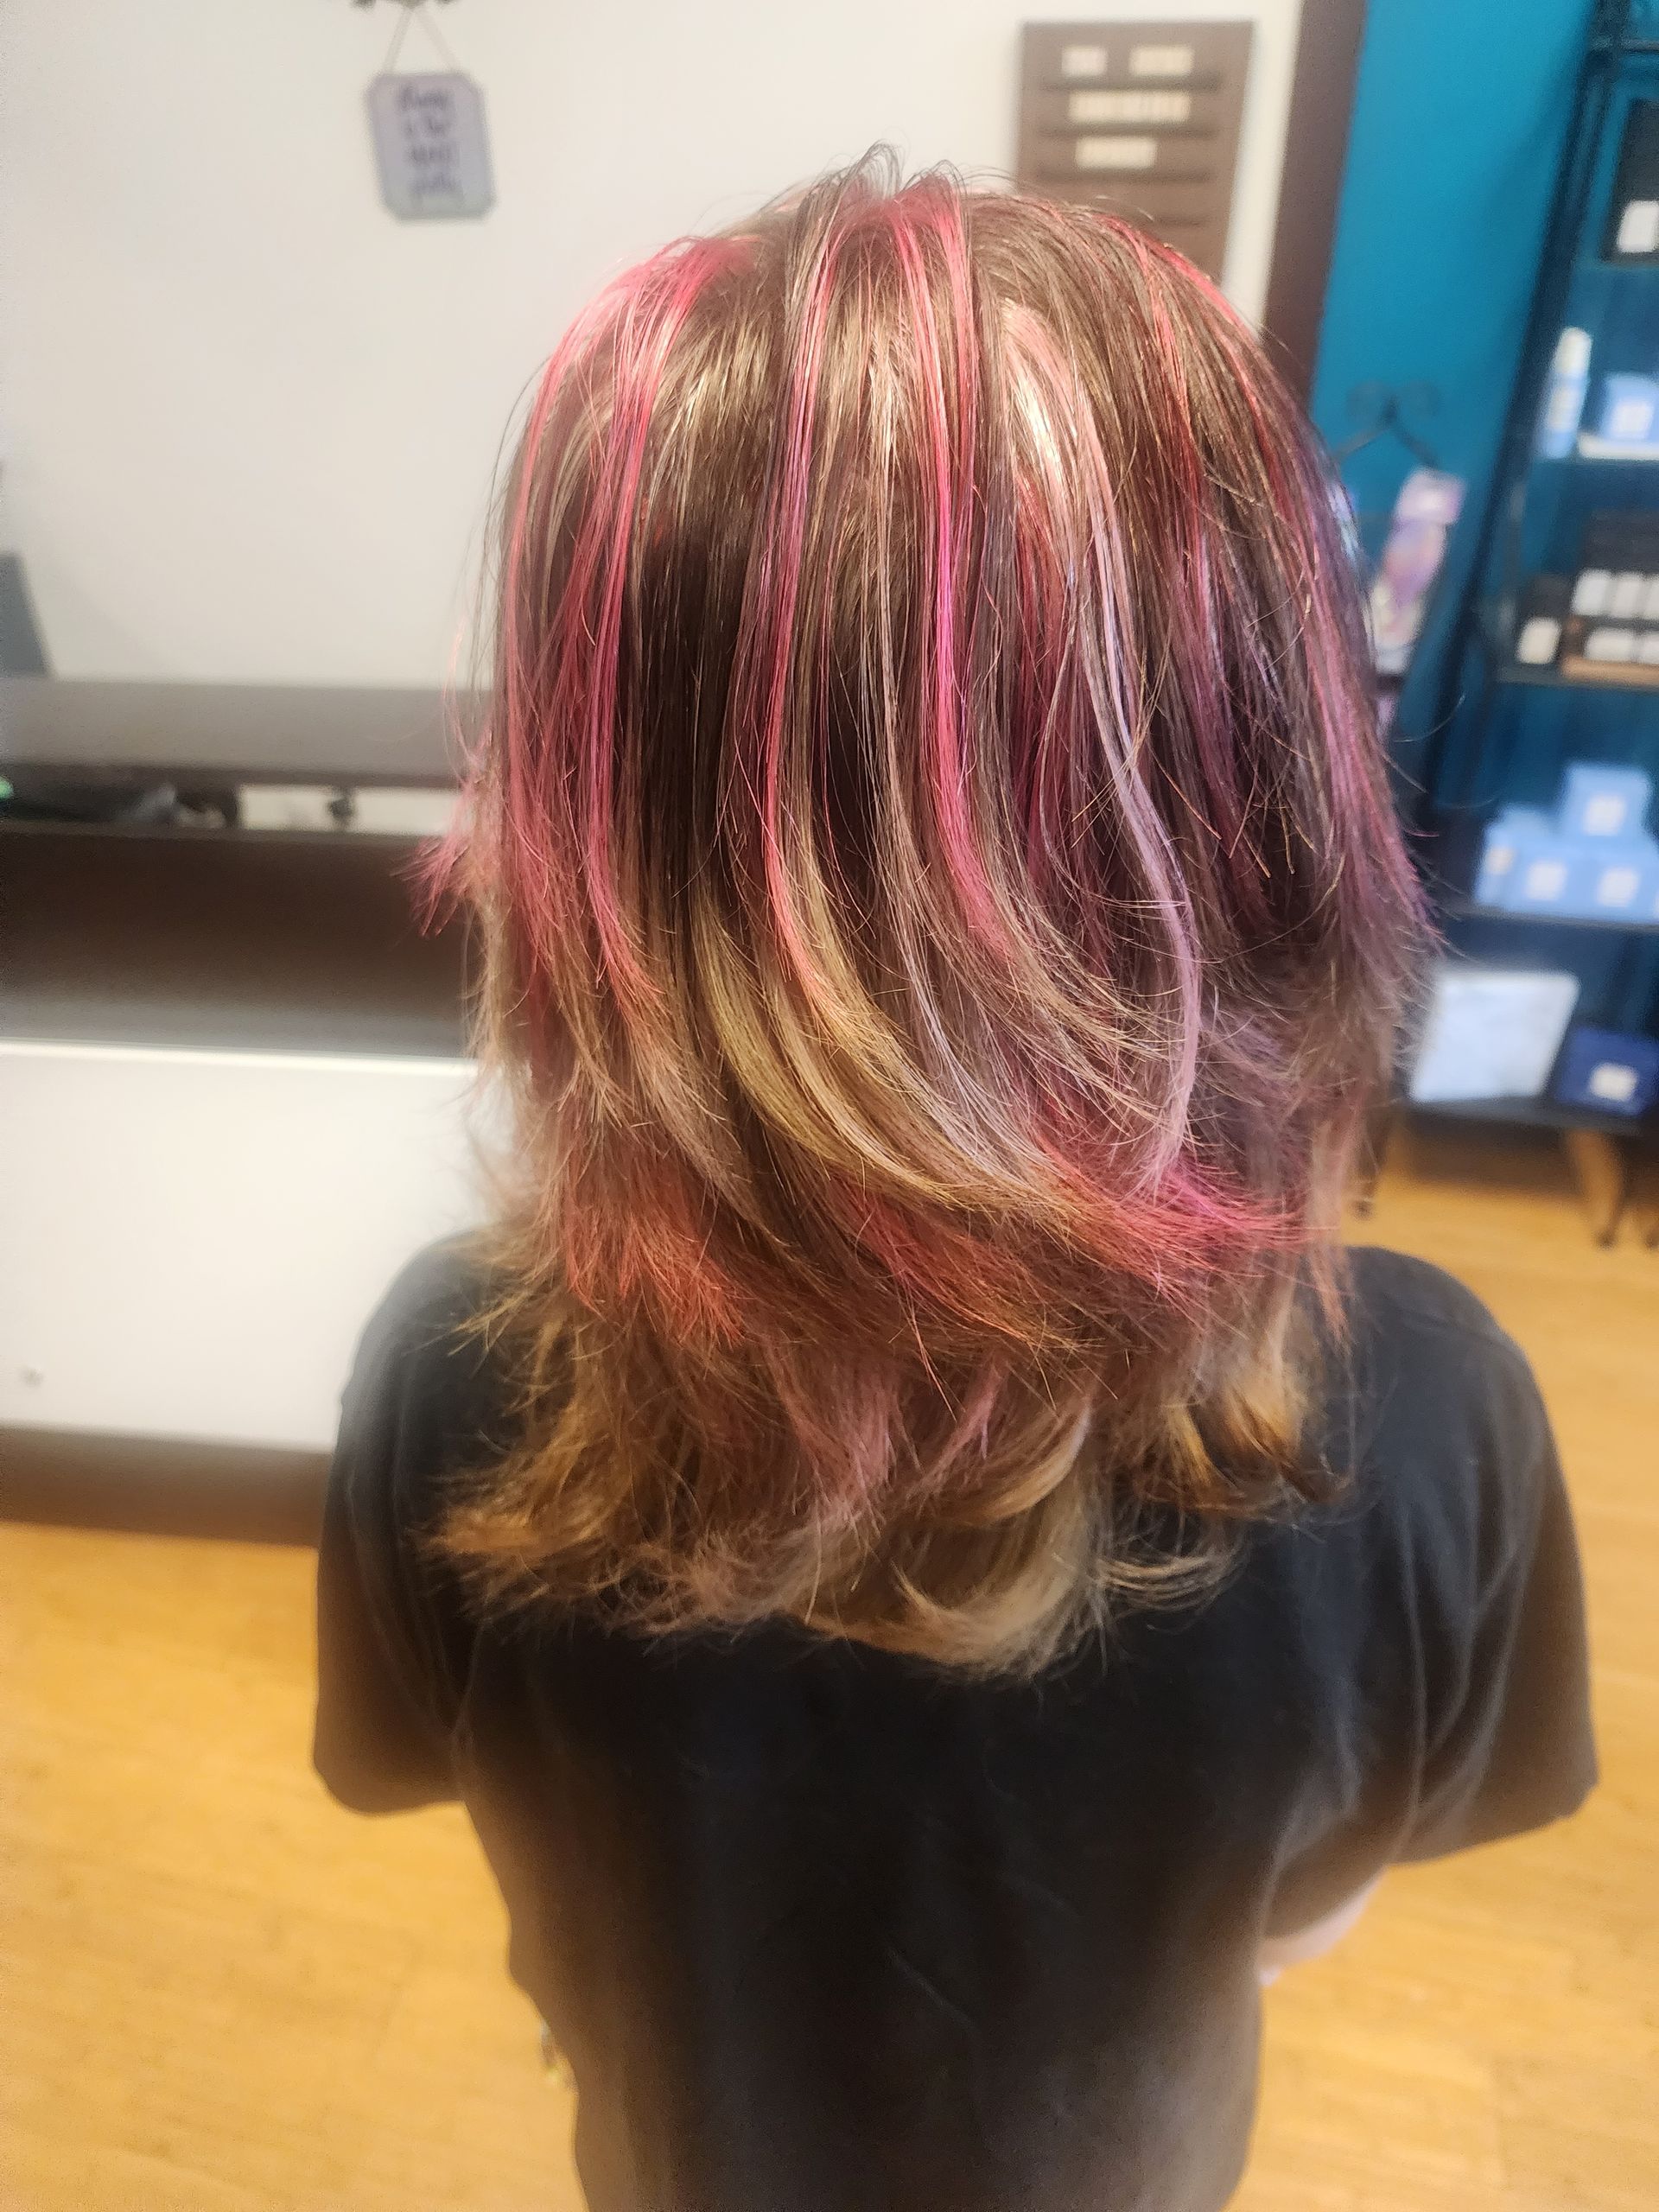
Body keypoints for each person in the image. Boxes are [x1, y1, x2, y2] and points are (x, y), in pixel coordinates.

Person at [314, 159, 1595, 2212]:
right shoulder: (1424, 1415)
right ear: (1268, 797)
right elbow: (1308, 1911)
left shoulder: (456, 1386)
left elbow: (460, 1805)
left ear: (589, 819)